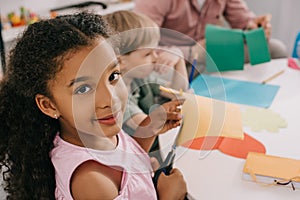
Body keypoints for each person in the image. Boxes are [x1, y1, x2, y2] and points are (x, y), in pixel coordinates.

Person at [0, 12, 187, 199]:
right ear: (48, 105)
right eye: (84, 89)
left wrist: (149, 127)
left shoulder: (96, 132)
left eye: (113, 76)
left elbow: (122, 160)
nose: (110, 99)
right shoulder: (91, 181)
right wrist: (169, 197)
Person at [103, 10, 189, 161]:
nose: (155, 58)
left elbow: (178, 94)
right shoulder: (115, 97)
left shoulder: (139, 77)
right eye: (148, 54)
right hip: (135, 159)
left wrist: (179, 60)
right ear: (120, 62)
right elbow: (149, 126)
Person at [134, 0, 288, 72]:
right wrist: (189, 53)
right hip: (174, 60)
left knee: (276, 49)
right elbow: (138, 46)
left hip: (209, 52)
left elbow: (243, 20)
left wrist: (254, 26)